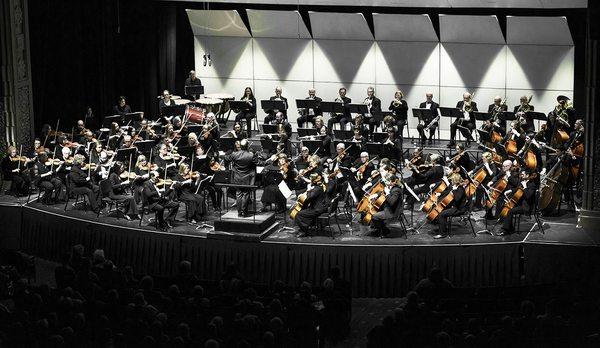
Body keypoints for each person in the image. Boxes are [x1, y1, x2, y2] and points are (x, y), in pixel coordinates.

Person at [223, 139, 260, 217]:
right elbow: (259, 163)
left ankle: (239, 212)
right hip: (247, 178)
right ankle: (244, 211)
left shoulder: (234, 154)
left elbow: (226, 158)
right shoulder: (250, 155)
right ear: (247, 146)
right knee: (246, 194)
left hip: (237, 177)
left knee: (238, 194)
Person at [497, 170, 538, 235]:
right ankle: (510, 228)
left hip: (526, 206)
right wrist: (510, 190)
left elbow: (528, 196)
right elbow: (517, 189)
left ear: (527, 175)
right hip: (520, 204)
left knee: (510, 211)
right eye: (521, 174)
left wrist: (525, 187)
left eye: (523, 174)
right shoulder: (523, 182)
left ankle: (505, 230)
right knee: (506, 206)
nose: (521, 175)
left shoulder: (532, 185)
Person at [433, 173, 468, 239]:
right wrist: (440, 193)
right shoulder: (455, 187)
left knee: (441, 214)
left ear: (455, 180)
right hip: (454, 207)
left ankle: (442, 234)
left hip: (459, 209)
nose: (451, 181)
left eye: (452, 180)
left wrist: (454, 191)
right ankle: (443, 229)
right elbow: (448, 192)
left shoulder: (460, 189)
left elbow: (457, 199)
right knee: (442, 210)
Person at [294, 173, 329, 237]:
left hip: (318, 209)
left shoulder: (317, 189)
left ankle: (304, 231)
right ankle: (309, 224)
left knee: (298, 214)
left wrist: (308, 189)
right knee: (304, 211)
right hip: (321, 207)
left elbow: (309, 197)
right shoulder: (321, 186)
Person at [369, 173, 403, 238]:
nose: (384, 182)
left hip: (393, 212)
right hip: (388, 208)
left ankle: (384, 231)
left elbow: (392, 202)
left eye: (386, 181)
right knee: (374, 210)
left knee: (374, 216)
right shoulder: (389, 186)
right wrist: (376, 195)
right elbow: (383, 191)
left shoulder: (396, 190)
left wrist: (387, 193)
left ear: (391, 181)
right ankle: (381, 228)